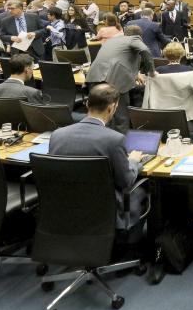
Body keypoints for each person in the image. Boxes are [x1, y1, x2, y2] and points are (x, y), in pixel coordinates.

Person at [49, 84, 146, 228]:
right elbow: (126, 181)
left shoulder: (57, 135)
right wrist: (133, 161)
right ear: (111, 108)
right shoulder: (114, 139)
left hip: (65, 207)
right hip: (105, 210)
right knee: (144, 191)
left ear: (87, 103)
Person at [85, 25, 155, 133]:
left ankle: (96, 139)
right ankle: (119, 144)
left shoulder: (113, 40)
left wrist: (135, 73)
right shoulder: (134, 39)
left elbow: (119, 57)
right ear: (139, 36)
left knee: (98, 114)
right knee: (120, 117)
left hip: (94, 76)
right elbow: (145, 50)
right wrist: (151, 71)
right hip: (115, 79)